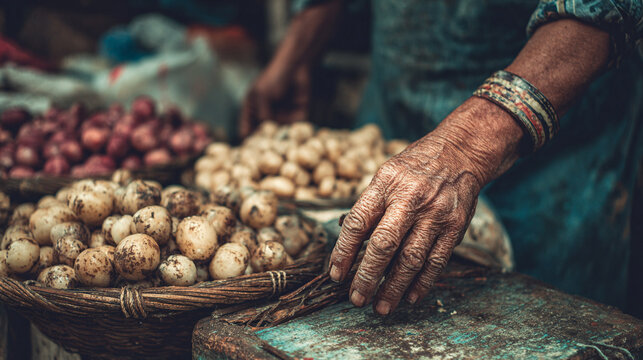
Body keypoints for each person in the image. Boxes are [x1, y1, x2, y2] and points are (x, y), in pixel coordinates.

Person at [240, 0, 643, 315]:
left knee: (542, 323)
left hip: (549, 151)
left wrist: (467, 145)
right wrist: (296, 53)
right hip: (395, 104)